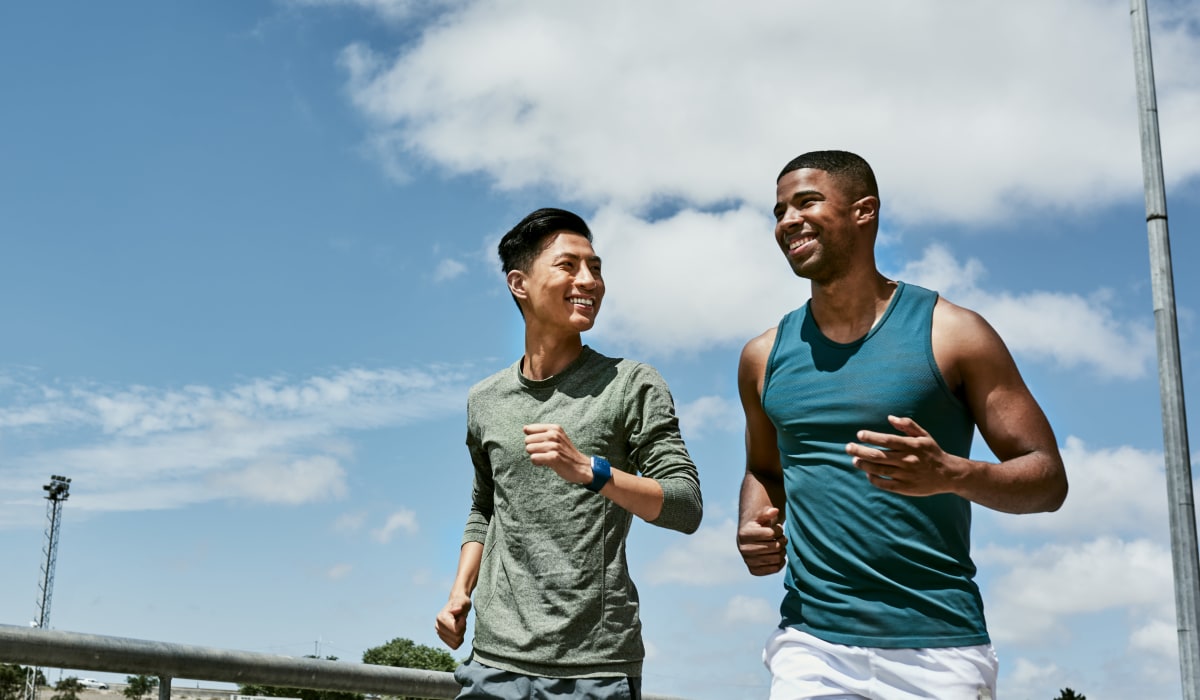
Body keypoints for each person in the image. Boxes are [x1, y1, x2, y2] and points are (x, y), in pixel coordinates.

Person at [736, 150, 1068, 700]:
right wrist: (754, 522)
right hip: (812, 644)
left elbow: (1047, 479)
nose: (787, 221)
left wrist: (953, 474)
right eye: (778, 211)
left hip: (940, 647)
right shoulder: (763, 355)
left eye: (807, 202)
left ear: (863, 211)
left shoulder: (955, 333)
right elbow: (764, 468)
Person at [436, 207, 703, 700]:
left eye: (596, 268)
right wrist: (460, 591)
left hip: (595, 670)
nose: (590, 281)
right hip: (493, 663)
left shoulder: (631, 384)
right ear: (520, 283)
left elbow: (685, 506)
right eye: (569, 266)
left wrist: (590, 470)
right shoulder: (485, 400)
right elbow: (484, 506)